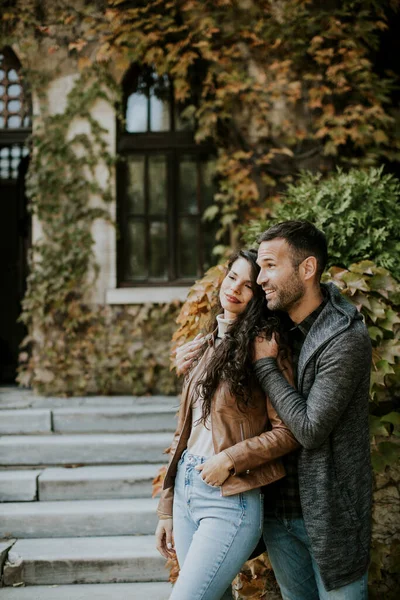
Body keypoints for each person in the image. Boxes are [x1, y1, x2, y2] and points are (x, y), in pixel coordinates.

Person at [155, 249, 299, 600]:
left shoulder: (265, 346)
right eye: (232, 277)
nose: (235, 288)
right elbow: (185, 433)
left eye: (248, 285)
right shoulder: (207, 345)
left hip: (229, 498)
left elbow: (289, 430)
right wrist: (166, 505)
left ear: (258, 296)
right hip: (188, 488)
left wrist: (230, 459)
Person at [253, 220, 372, 600]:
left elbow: (310, 429)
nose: (259, 278)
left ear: (307, 270)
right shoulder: (273, 324)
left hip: (331, 519)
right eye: (259, 266)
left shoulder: (345, 338)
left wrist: (266, 367)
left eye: (270, 265)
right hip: (278, 516)